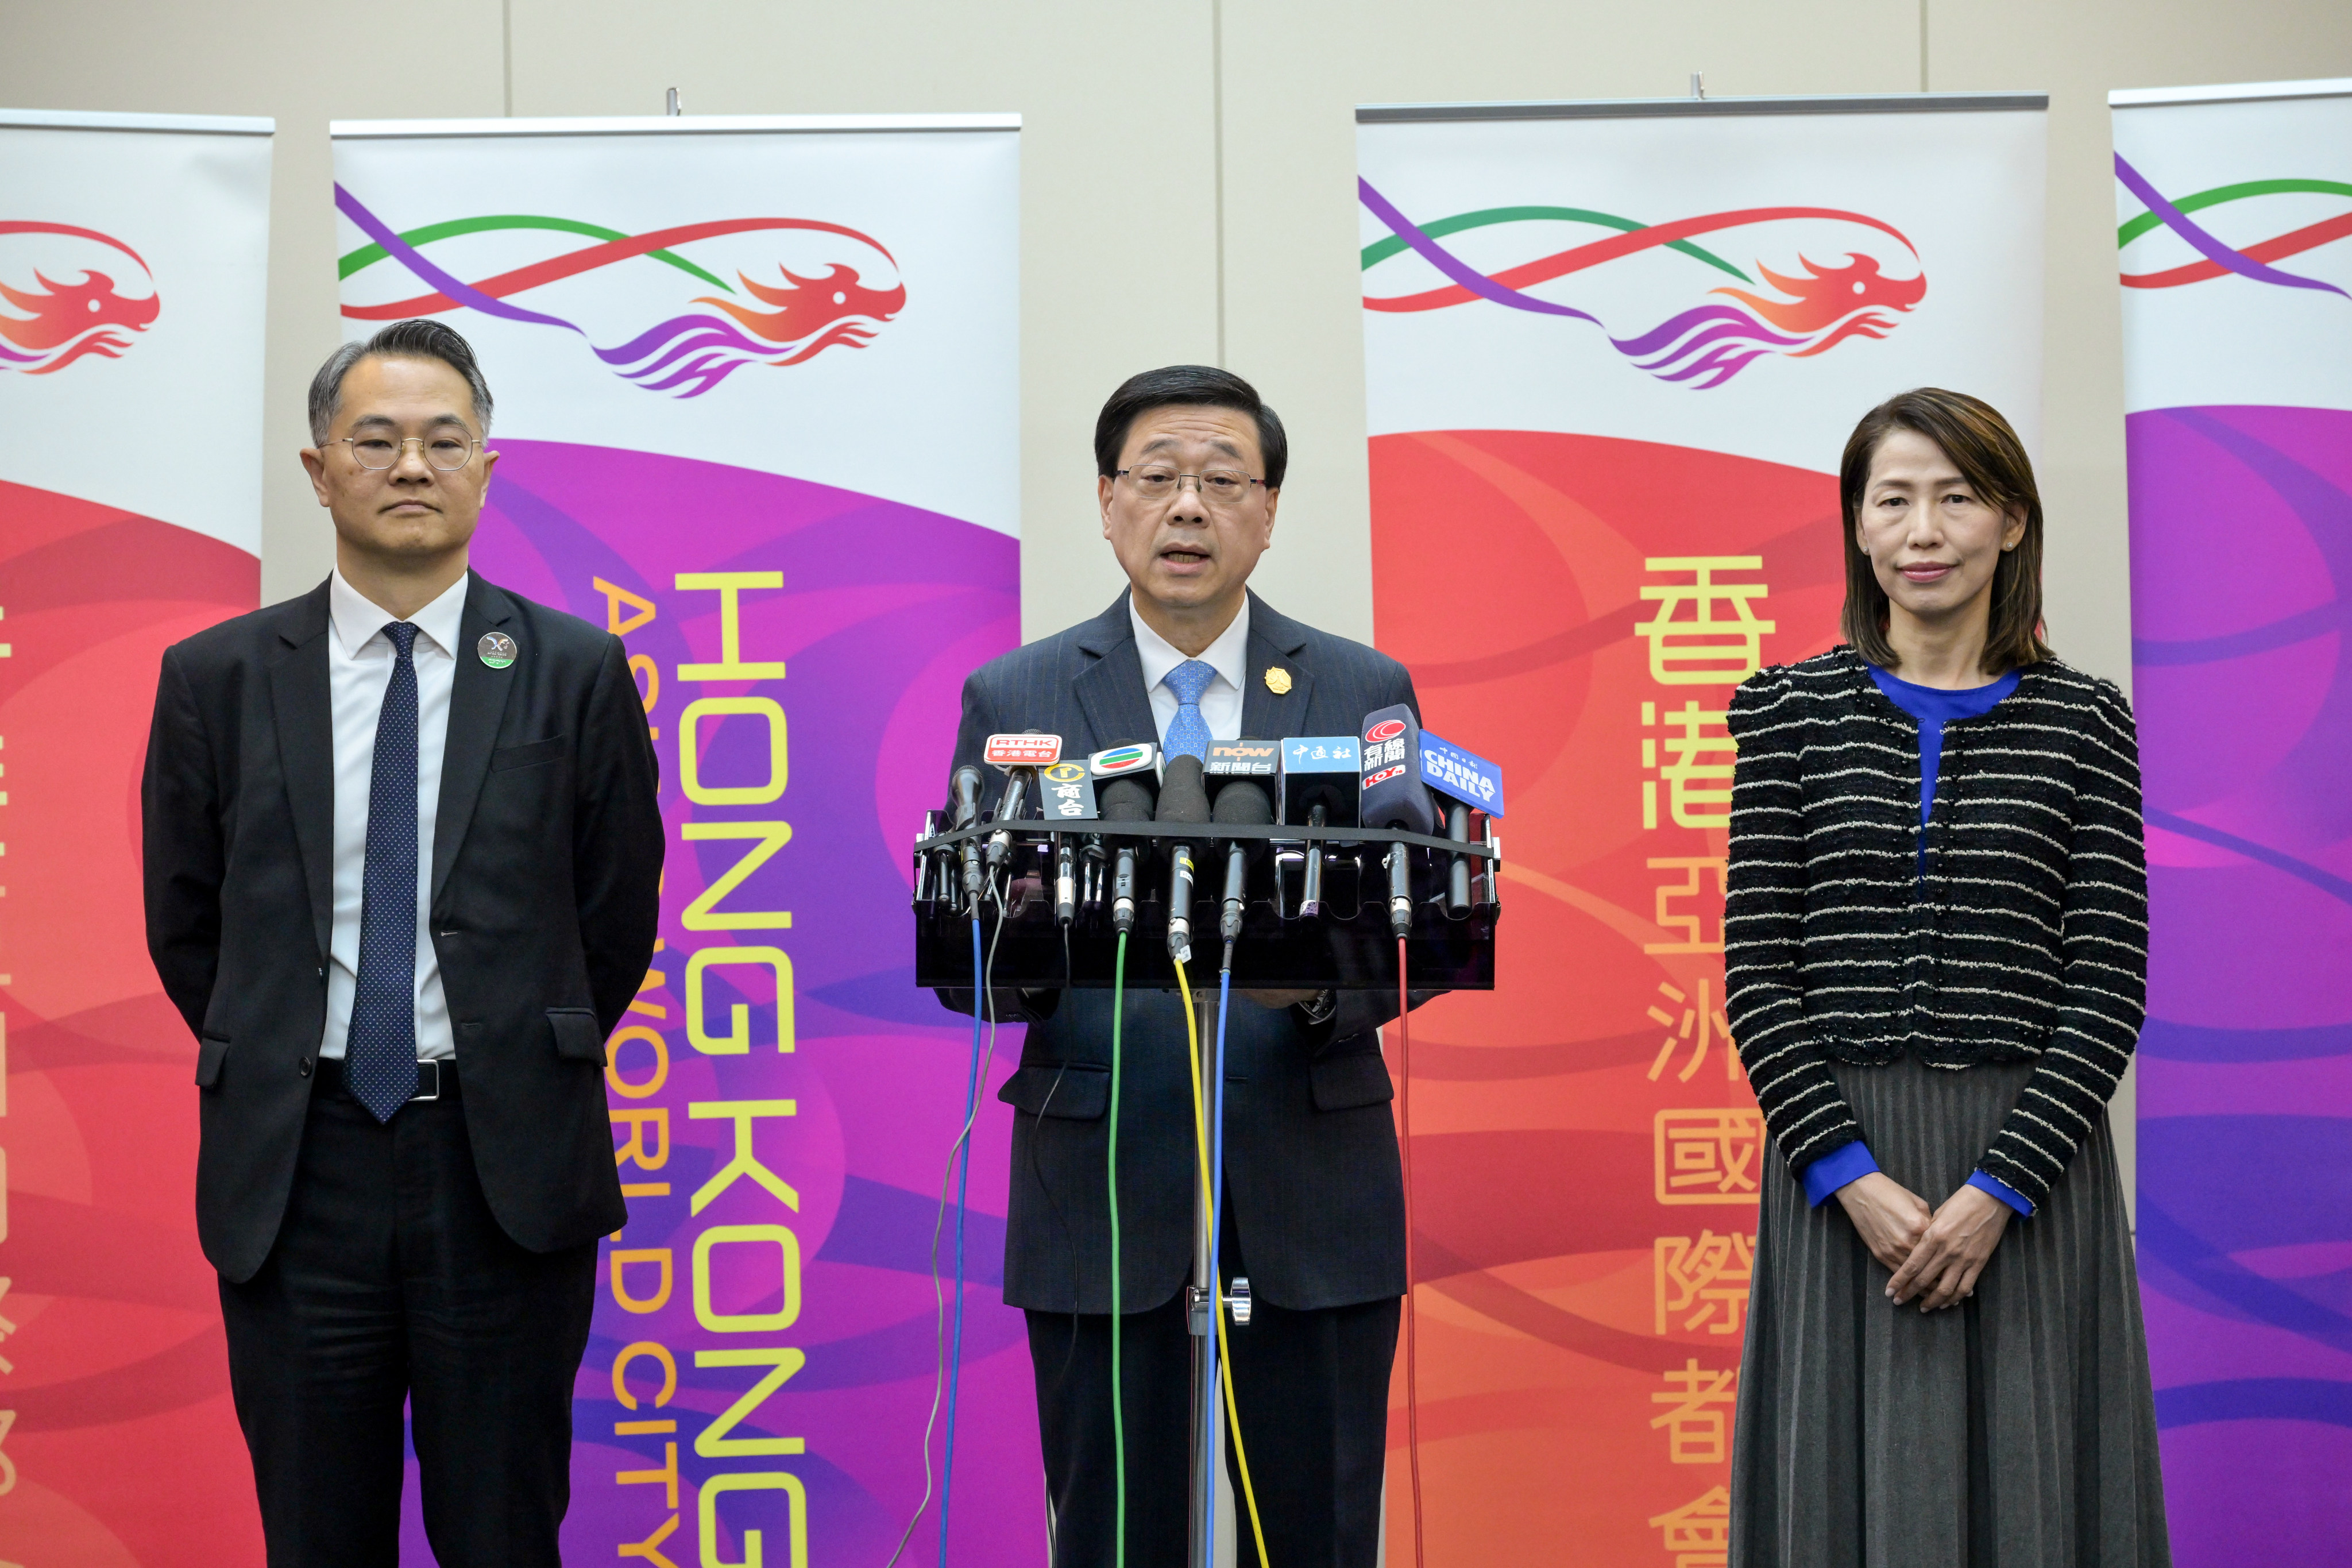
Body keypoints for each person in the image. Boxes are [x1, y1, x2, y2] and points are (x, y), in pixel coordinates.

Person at [141, 319, 664, 1566]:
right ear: (321, 471)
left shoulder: (573, 671)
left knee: (501, 1526)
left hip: (501, 1169)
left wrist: (503, 1052)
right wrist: (281, 1052)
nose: (413, 466)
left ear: (488, 467)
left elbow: (613, 919)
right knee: (317, 1531)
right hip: (298, 1166)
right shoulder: (216, 676)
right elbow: (188, 922)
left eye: (445, 440)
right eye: (376, 440)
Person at [943, 366, 1427, 1567]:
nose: (1188, 508)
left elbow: (1418, 928)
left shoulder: (1362, 691)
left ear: (1268, 509)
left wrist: (1314, 985)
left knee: (1312, 1534)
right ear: (1105, 504)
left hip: (1311, 1191)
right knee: (1115, 1542)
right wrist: (1029, 934)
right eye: (1156, 479)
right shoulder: (1018, 692)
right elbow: (963, 957)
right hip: (1101, 1190)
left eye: (1222, 481)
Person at [1723, 388, 2170, 1566]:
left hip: (2028, 1172)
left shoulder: (2084, 722)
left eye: (1954, 498)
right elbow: (1757, 974)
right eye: (1893, 501)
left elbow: (2107, 979)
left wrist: (1997, 1193)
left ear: (2011, 523)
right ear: (1858, 530)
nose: (1922, 530)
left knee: (2033, 1491)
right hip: (1839, 1171)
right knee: (1840, 1499)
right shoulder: (1785, 713)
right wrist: (1846, 1176)